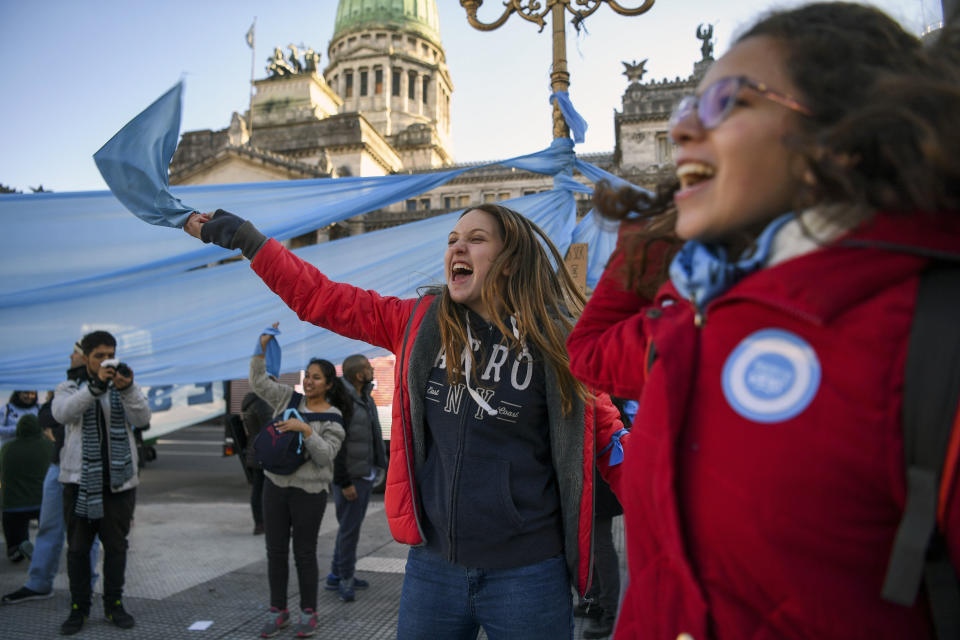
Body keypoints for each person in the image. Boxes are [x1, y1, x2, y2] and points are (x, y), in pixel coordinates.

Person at [566, 3, 960, 638]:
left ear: (841, 137)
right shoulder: (696, 315)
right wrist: (664, 227)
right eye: (685, 111)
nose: (685, 130)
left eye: (727, 102)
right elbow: (587, 351)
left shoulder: (930, 339)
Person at [184, 202, 625, 639]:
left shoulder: (560, 344)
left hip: (528, 575)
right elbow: (320, 297)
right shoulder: (416, 323)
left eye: (475, 240)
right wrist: (245, 239)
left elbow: (614, 445)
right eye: (452, 240)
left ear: (509, 262)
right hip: (433, 569)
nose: (458, 248)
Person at [248, 331, 348, 638]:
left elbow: (325, 457)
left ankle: (309, 612)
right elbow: (259, 382)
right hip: (275, 485)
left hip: (310, 493)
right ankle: (278, 611)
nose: (309, 382)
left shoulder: (334, 418)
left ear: (329, 384)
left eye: (317, 378)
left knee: (304, 553)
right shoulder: (287, 399)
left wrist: (305, 429)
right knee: (275, 551)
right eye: (308, 376)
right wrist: (260, 348)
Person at [53, 330, 151, 635]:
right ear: (85, 358)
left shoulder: (123, 386)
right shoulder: (69, 387)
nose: (105, 361)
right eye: (98, 356)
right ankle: (79, 608)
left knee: (117, 547)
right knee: (79, 550)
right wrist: (95, 388)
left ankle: (114, 605)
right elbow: (63, 414)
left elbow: (143, 418)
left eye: (110, 354)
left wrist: (129, 388)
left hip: (119, 485)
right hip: (79, 483)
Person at [2, 350, 101, 604]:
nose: (70, 356)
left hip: (87, 468)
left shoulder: (98, 386)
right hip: (58, 465)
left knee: (86, 532)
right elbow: (47, 415)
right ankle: (39, 582)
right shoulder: (66, 386)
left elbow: (67, 414)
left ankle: (86, 587)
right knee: (48, 526)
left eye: (75, 353)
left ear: (87, 357)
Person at [326, 354, 387, 602]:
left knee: (348, 527)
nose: (372, 370)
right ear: (359, 374)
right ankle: (346, 579)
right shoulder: (343, 401)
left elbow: (372, 434)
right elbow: (336, 446)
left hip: (363, 472)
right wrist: (345, 481)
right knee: (349, 531)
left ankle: (334, 573)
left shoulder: (364, 396)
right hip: (350, 477)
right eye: (368, 368)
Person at [0, 414, 53, 561]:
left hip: (13, 505)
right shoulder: (48, 446)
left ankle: (16, 549)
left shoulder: (7, 448)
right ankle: (45, 548)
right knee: (49, 529)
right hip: (41, 503)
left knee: (14, 527)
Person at [241, 389, 272, 536]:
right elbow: (271, 427)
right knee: (263, 490)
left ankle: (260, 523)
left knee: (258, 489)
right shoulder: (262, 403)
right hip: (264, 451)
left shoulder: (250, 401)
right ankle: (261, 524)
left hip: (254, 450)